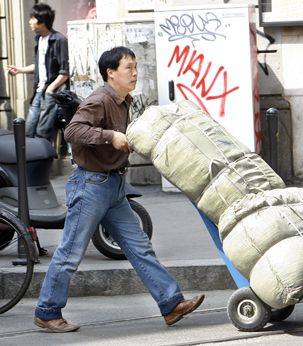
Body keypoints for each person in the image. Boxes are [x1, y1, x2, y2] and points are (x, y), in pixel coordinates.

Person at [33, 46, 205, 332]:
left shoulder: (124, 101)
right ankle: (47, 311)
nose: (135, 73)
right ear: (111, 73)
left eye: (136, 66)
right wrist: (110, 136)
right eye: (129, 68)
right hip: (90, 186)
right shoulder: (100, 99)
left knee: (140, 248)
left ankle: (171, 304)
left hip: (113, 186)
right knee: (70, 253)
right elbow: (73, 131)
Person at [7, 3, 69, 142]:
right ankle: (29, 160)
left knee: (43, 132)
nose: (30, 21)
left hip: (51, 92)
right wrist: (20, 70)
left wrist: (51, 89)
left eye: (33, 18)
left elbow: (65, 71)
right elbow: (40, 66)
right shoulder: (39, 39)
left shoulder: (59, 40)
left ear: (42, 21)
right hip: (39, 91)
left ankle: (43, 161)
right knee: (29, 129)